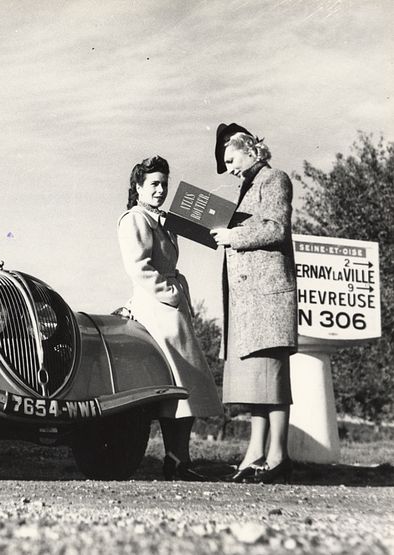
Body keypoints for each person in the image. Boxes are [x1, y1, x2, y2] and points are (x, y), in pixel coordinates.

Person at [117, 155, 223, 481]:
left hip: (172, 309)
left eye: (164, 184)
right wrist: (171, 293)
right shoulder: (133, 219)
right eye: (154, 184)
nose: (161, 190)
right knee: (176, 386)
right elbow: (139, 268)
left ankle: (179, 460)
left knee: (186, 386)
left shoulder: (161, 220)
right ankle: (176, 461)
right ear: (138, 188)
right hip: (156, 307)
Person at [210, 125, 298, 483]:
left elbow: (277, 228)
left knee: (271, 382)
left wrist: (232, 236)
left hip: (266, 298)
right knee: (256, 385)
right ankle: (255, 454)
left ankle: (278, 457)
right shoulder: (247, 187)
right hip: (250, 302)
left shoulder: (274, 178)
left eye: (231, 159)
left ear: (249, 149)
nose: (229, 167)